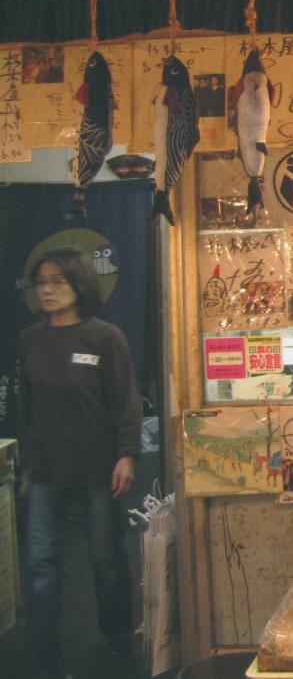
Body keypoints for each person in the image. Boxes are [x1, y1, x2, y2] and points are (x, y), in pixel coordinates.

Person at [18, 246, 141, 677]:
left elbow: (126, 401)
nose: (47, 290)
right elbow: (27, 406)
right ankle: (43, 654)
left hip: (98, 466)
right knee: (40, 563)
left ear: (79, 284)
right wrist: (26, 463)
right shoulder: (31, 340)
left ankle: (118, 634)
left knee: (106, 558)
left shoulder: (104, 337)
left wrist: (127, 454)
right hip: (45, 468)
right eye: (41, 282)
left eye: (58, 281)